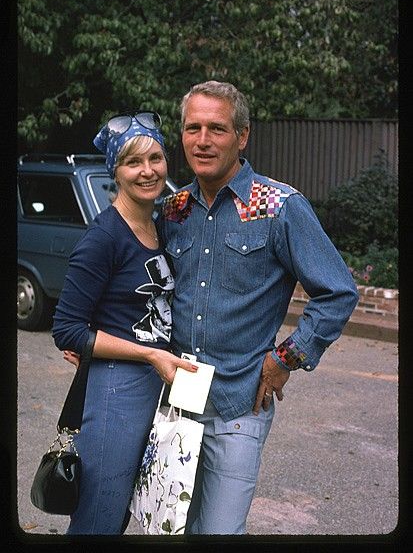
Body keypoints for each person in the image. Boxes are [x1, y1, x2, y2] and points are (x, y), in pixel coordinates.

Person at [159, 81, 359, 535]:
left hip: (238, 404)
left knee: (221, 532)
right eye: (193, 128)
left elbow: (339, 292)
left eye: (217, 128)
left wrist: (288, 357)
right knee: (172, 528)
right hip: (175, 406)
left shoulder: (278, 207)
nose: (203, 140)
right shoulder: (173, 209)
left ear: (242, 136)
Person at [52, 111, 197, 535]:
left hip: (157, 386)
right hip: (117, 392)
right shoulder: (103, 238)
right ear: (115, 170)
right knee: (99, 517)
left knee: (131, 516)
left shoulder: (159, 227)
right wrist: (148, 352)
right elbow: (68, 329)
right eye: (134, 162)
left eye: (155, 158)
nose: (147, 171)